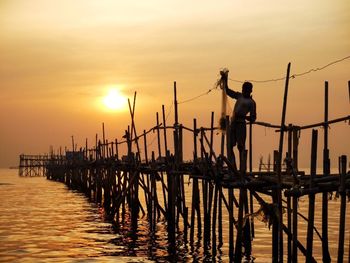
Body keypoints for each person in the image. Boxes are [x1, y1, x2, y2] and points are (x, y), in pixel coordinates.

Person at [221, 71, 257, 171]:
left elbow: (253, 118)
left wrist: (244, 117)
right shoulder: (239, 96)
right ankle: (233, 167)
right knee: (229, 145)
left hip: (241, 124)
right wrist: (225, 79)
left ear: (250, 90)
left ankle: (242, 169)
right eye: (242, 89)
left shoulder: (251, 103)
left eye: (245, 89)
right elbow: (227, 91)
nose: (243, 90)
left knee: (240, 146)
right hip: (233, 123)